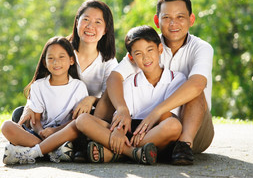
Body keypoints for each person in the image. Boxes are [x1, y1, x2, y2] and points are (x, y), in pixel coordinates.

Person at [94, 0, 214, 165]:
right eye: (166, 18)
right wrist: (122, 109)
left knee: (195, 89)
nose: (173, 23)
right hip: (147, 129)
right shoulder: (147, 44)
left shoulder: (201, 47)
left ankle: (182, 146)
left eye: (180, 17)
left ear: (191, 19)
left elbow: (197, 84)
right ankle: (97, 138)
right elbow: (114, 77)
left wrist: (156, 112)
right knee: (110, 92)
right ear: (157, 21)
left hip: (192, 126)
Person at [3, 0, 118, 164]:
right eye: (86, 19)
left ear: (105, 29)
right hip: (50, 115)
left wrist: (91, 99)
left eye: (98, 22)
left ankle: (39, 149)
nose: (90, 26)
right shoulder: (61, 49)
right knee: (18, 115)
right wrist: (30, 107)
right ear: (77, 21)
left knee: (87, 120)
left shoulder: (109, 62)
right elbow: (40, 82)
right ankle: (54, 149)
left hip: (81, 119)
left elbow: (111, 99)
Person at [74, 25, 187, 164]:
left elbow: (167, 115)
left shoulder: (177, 78)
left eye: (150, 50)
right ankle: (134, 153)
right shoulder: (129, 82)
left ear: (160, 49)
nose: (145, 57)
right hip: (129, 130)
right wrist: (118, 131)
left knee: (174, 126)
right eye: (138, 54)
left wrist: (139, 133)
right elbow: (122, 116)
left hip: (153, 131)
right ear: (131, 58)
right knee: (82, 120)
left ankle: (118, 153)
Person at [1, 36, 88, 164]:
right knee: (6, 126)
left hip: (66, 135)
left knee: (79, 126)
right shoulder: (38, 85)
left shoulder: (78, 86)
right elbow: (35, 119)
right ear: (44, 63)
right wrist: (41, 131)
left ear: (71, 60)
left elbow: (77, 120)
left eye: (61, 57)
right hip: (42, 134)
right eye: (51, 58)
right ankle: (52, 152)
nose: (56, 62)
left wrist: (54, 132)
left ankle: (33, 152)